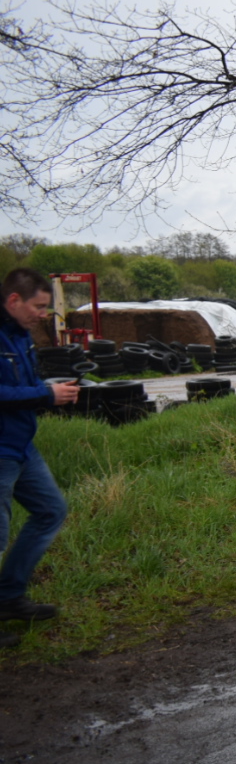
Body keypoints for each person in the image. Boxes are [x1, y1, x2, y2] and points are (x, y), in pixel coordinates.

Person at [0, 268, 79, 648]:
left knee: (51, 510)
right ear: (14, 301)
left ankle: (9, 598)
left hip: (22, 447)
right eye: (38, 307)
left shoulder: (22, 337)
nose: (43, 315)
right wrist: (46, 397)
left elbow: (23, 387)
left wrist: (49, 389)